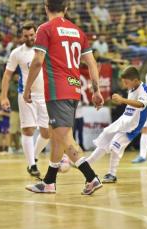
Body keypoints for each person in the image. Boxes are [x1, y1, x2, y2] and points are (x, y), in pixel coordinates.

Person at [23, 0, 104, 195]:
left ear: (46, 7)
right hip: (74, 88)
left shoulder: (45, 28)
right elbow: (92, 63)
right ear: (66, 9)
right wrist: (96, 90)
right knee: (56, 135)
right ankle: (49, 182)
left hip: (57, 89)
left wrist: (27, 89)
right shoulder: (78, 31)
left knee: (65, 137)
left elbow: (37, 62)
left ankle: (91, 177)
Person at [86, 66, 147, 183]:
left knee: (115, 146)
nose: (124, 84)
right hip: (123, 120)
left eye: (126, 82)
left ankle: (112, 174)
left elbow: (140, 104)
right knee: (106, 136)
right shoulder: (132, 88)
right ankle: (87, 163)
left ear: (135, 80)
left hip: (133, 126)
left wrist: (122, 100)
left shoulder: (144, 90)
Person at [1, 23, 50, 177]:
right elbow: (7, 74)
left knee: (47, 133)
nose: (29, 38)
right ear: (21, 36)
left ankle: (34, 156)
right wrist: (3, 96)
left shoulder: (46, 49)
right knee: (28, 130)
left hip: (46, 96)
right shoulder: (17, 53)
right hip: (26, 96)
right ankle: (32, 165)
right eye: (26, 36)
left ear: (36, 34)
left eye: (32, 35)